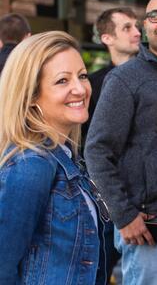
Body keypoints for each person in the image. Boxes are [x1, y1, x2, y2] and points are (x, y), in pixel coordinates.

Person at [85, 0, 157, 285]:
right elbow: (96, 150)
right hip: (151, 229)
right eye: (154, 16)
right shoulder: (125, 78)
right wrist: (124, 215)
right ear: (146, 25)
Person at [0, 31, 107, 284]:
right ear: (32, 96)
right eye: (62, 81)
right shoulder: (31, 165)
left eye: (82, 76)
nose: (80, 89)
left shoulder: (67, 158)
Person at [85, 8, 141, 284]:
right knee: (99, 268)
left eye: (136, 26)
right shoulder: (91, 85)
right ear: (107, 37)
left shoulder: (156, 77)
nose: (137, 32)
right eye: (127, 27)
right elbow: (88, 143)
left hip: (148, 201)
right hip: (104, 198)